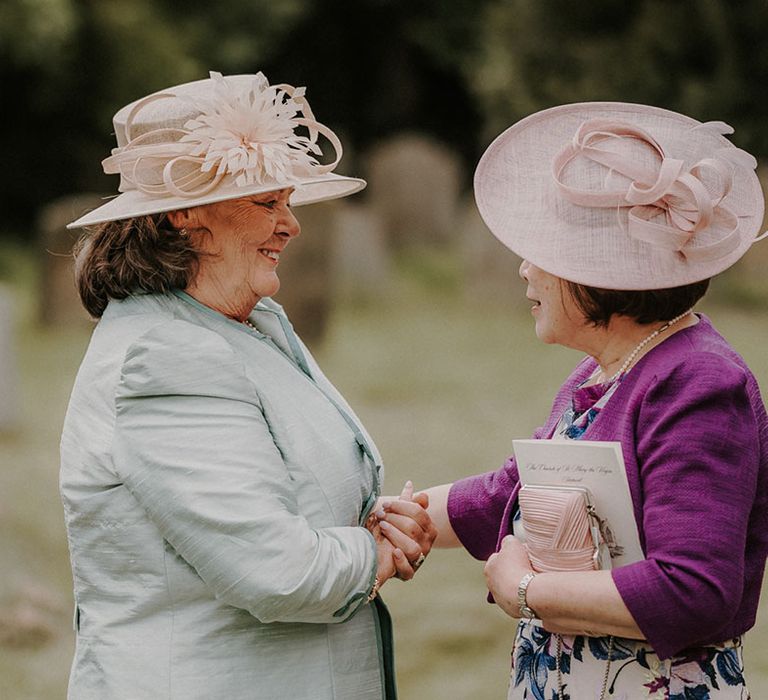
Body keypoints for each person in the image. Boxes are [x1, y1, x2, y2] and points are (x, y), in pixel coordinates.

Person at [60, 71, 436, 700]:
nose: (292, 225)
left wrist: (380, 521)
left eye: (287, 201)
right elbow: (278, 573)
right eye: (267, 203)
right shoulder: (166, 356)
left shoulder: (251, 322)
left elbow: (294, 496)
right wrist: (377, 554)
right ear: (183, 212)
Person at [377, 103, 768, 698]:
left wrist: (524, 592)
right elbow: (511, 493)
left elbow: (693, 591)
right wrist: (399, 518)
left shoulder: (699, 383)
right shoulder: (608, 370)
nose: (524, 270)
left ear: (599, 274)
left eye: (546, 253)